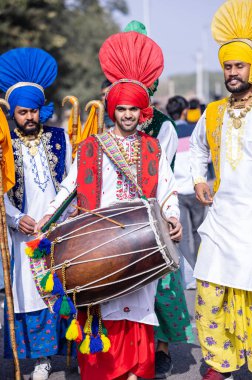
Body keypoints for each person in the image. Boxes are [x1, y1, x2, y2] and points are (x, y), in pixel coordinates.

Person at [37, 30, 182, 380]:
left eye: (134, 108)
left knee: (138, 314)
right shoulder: (91, 147)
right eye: (122, 108)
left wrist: (173, 217)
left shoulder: (152, 148)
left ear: (142, 110)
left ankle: (136, 370)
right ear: (113, 109)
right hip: (98, 244)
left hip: (140, 243)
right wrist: (49, 215)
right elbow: (70, 186)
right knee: (102, 309)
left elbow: (167, 189)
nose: (128, 115)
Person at [123, 20, 194, 379]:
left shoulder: (163, 125)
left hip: (154, 212)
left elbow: (161, 174)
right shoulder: (111, 121)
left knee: (164, 282)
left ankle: (163, 349)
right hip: (120, 218)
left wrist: (162, 214)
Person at [0, 47, 72, 380]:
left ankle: (62, 355)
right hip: (21, 235)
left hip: (56, 231)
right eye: (23, 112)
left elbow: (71, 184)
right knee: (28, 294)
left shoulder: (59, 138)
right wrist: (15, 219)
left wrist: (55, 217)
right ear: (12, 112)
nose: (30, 118)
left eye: (34, 111)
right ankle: (39, 360)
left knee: (61, 291)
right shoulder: (3, 145)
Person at [190, 0, 252, 379]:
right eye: (228, 66)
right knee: (209, 288)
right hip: (222, 218)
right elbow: (197, 150)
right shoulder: (212, 113)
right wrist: (198, 179)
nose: (232, 72)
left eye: (239, 65)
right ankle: (218, 362)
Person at [167, 95, 206, 290]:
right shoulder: (193, 130)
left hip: (177, 193)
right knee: (198, 232)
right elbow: (204, 159)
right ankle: (201, 268)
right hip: (195, 189)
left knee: (182, 235)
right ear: (184, 111)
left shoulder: (167, 133)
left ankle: (190, 272)